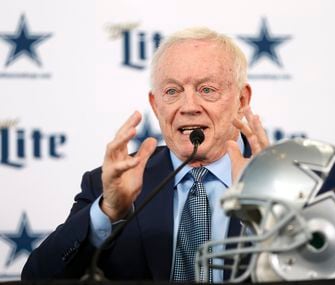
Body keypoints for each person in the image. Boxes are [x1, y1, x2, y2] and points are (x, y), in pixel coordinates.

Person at [21, 27, 269, 282]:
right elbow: (36, 277)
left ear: (242, 100)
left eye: (206, 89)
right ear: (155, 104)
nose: (189, 107)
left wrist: (267, 208)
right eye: (172, 91)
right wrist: (108, 211)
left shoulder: (287, 181)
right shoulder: (113, 185)